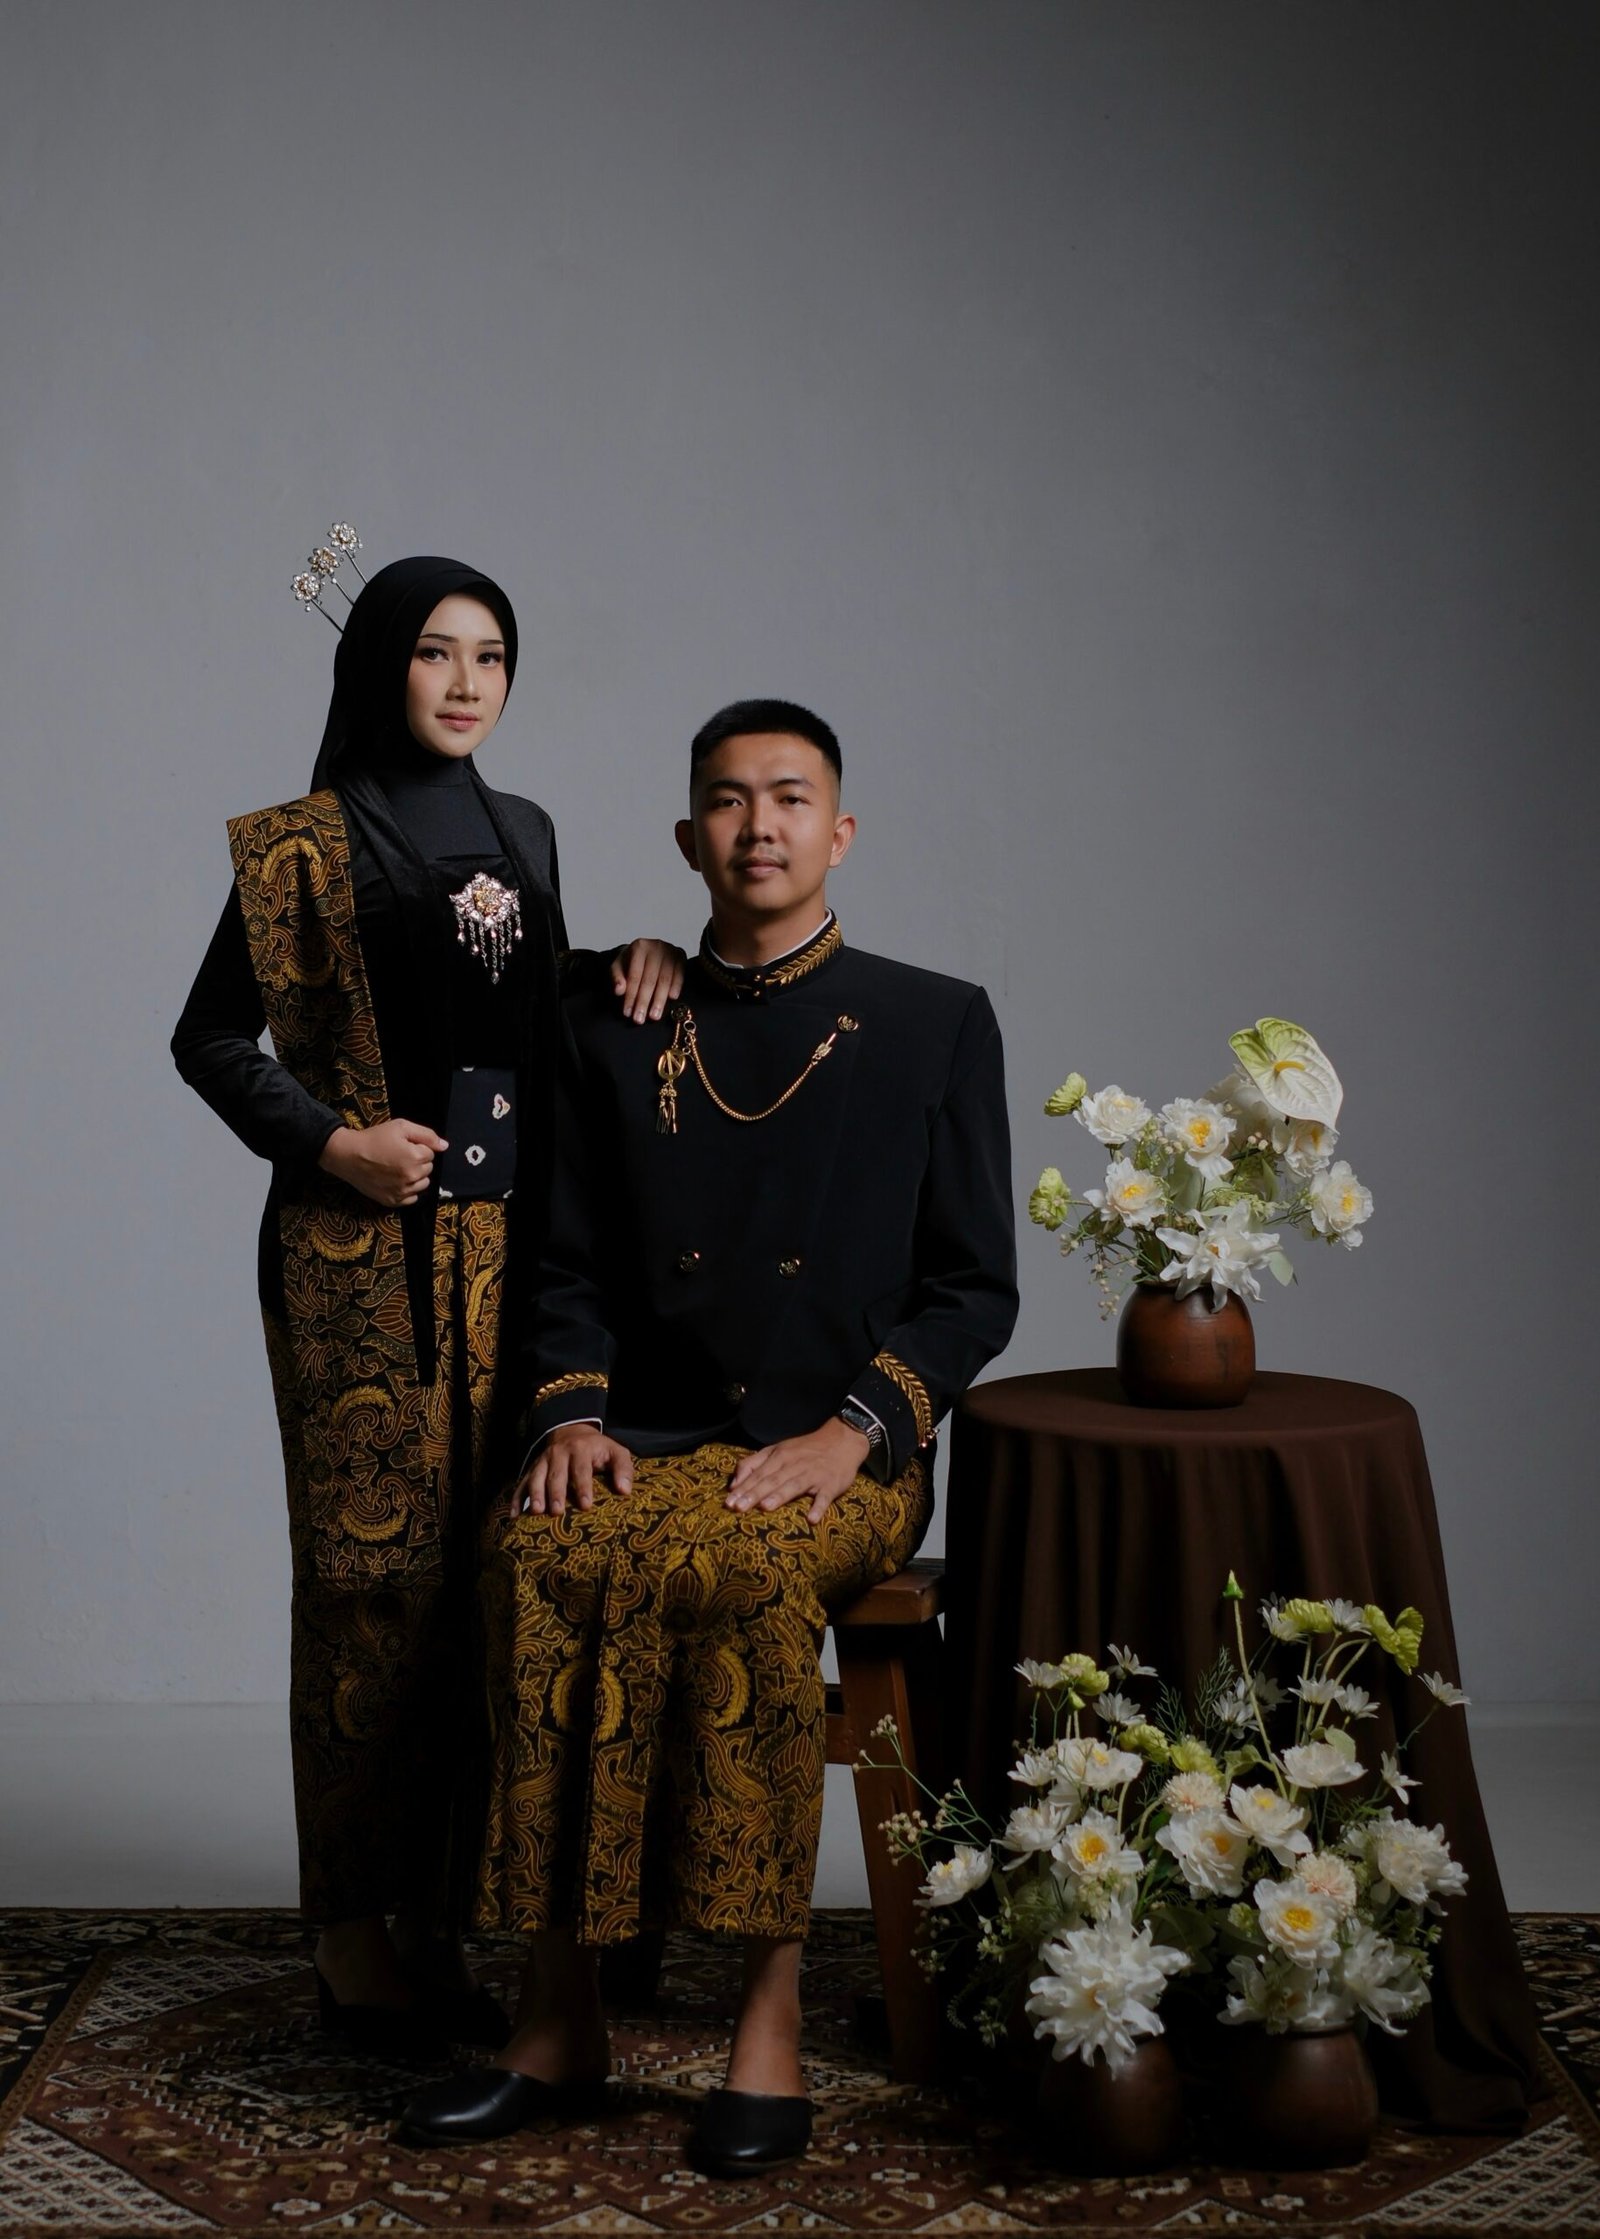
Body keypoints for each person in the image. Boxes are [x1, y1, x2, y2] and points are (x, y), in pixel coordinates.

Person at [403, 698, 1017, 2170]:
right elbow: (563, 1260)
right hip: (648, 1429)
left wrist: (858, 1432)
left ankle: (767, 2018)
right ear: (689, 839)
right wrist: (569, 1414)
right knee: (538, 1559)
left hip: (838, 1443)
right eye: (730, 803)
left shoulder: (936, 1019)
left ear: (840, 832)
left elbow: (974, 1288)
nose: (760, 827)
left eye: (790, 799)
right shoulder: (619, 1019)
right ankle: (557, 2015)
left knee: (742, 1577)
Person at [171, 555, 682, 2056]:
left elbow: (522, 1003)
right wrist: (332, 1141)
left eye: (493, 655)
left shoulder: (525, 830)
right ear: (379, 664)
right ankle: (349, 1929)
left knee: (488, 1573)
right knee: (365, 1584)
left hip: (513, 1251)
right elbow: (208, 1038)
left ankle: (443, 1911)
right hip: (357, 1264)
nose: (467, 683)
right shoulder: (301, 846)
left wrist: (628, 961)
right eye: (436, 653)